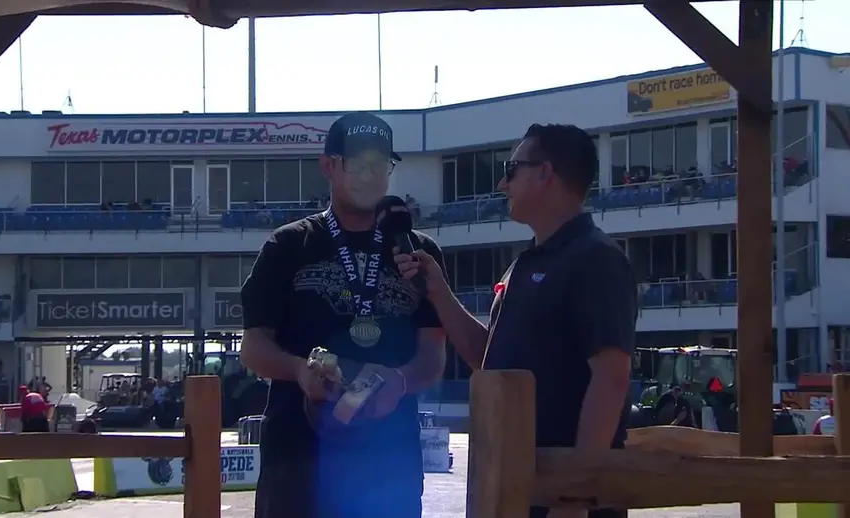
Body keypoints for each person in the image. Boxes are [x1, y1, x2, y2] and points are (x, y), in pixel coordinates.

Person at [395, 123, 637, 518]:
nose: (501, 183)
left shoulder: (597, 259)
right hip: (516, 490)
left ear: (545, 173)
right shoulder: (526, 264)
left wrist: (574, 498)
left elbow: (611, 379)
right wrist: (438, 291)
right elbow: (488, 361)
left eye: (511, 169)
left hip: (565, 502)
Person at [240, 111, 447, 518]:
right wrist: (300, 370)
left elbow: (433, 355)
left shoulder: (418, 253)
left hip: (389, 466)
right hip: (298, 461)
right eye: (357, 164)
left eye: (380, 165)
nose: (369, 176)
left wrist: (400, 381)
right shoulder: (287, 246)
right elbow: (253, 348)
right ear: (328, 166)